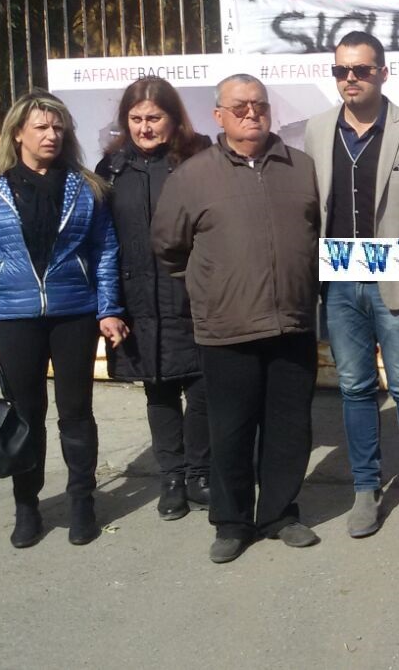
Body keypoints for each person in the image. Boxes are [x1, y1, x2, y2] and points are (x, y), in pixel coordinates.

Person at [152, 73, 323, 563]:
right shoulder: (192, 176)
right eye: (241, 107)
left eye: (260, 105)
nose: (253, 114)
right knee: (230, 429)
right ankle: (231, 522)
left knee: (289, 427)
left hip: (291, 322)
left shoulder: (301, 167)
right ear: (219, 116)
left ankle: (279, 514)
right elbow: (168, 247)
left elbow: (316, 233)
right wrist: (213, 285)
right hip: (226, 328)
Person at [0, 90, 123, 549]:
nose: (52, 135)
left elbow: (105, 250)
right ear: (18, 133)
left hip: (75, 312)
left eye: (58, 128)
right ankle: (27, 506)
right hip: (12, 317)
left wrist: (108, 308)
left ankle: (81, 503)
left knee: (76, 414)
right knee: (25, 416)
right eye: (42, 127)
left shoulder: (85, 186)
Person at [305, 30, 399, 543]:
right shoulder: (318, 130)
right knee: (354, 388)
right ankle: (365, 489)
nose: (351, 79)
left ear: (382, 72)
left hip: (397, 284)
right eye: (341, 70)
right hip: (340, 286)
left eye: (361, 69)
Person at [95, 77, 212, 520]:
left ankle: (202, 473)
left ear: (174, 118)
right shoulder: (111, 169)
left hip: (192, 293)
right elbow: (101, 241)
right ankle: (172, 478)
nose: (145, 128)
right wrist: (108, 305)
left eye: (154, 118)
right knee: (158, 390)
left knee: (202, 387)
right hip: (138, 297)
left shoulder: (199, 158)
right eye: (136, 119)